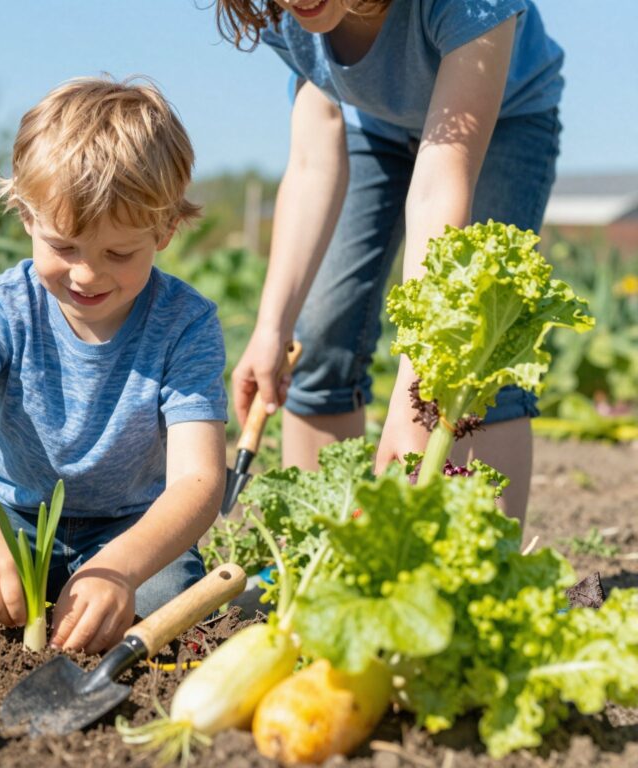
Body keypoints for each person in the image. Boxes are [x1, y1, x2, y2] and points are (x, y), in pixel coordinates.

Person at [0, 77, 228, 654]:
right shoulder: (4, 307)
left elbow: (199, 481)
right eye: (65, 247)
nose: (87, 275)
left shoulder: (185, 323)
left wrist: (122, 568)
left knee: (169, 609)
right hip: (6, 518)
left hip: (128, 528)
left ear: (164, 230)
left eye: (119, 253)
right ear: (27, 216)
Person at [217, 0, 563, 519]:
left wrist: (415, 392)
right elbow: (313, 163)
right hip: (372, 125)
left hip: (504, 122)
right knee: (320, 331)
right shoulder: (288, 11)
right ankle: (323, 548)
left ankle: (484, 570)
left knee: (482, 342)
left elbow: (439, 183)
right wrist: (272, 328)